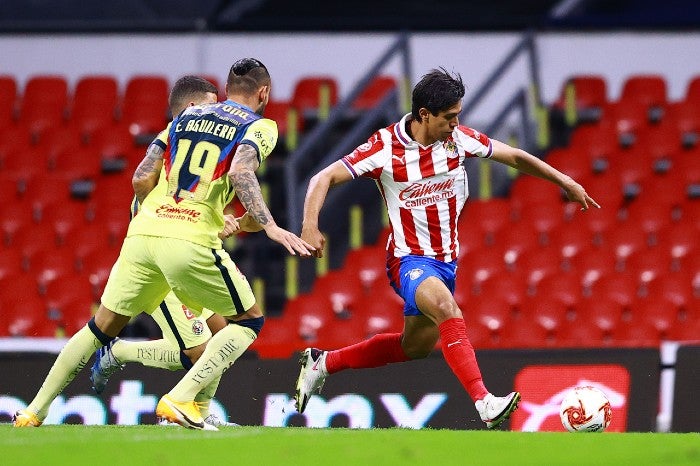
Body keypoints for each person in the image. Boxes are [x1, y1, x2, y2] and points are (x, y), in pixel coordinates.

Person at [14, 58, 313, 430]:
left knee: (99, 327)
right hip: (186, 239)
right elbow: (240, 171)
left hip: (142, 234)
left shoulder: (183, 120)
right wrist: (270, 227)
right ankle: (179, 400)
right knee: (248, 322)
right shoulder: (259, 126)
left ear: (225, 88)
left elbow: (141, 178)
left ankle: (32, 412)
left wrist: (172, 207)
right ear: (264, 92)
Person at [294, 68, 600, 429]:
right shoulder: (384, 147)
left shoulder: (459, 141)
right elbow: (322, 177)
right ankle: (484, 402)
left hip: (446, 262)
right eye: (450, 117)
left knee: (415, 347)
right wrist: (310, 226)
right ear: (425, 114)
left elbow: (514, 156)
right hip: (408, 259)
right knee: (446, 308)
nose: (457, 123)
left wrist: (563, 179)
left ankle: (322, 363)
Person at [88, 75, 251, 427]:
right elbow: (159, 207)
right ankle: (120, 353)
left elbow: (194, 207)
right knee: (201, 352)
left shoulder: (190, 150)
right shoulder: (168, 148)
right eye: (212, 104)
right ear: (192, 108)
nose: (219, 112)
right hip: (160, 264)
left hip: (184, 261)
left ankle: (200, 412)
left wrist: (222, 219)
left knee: (224, 332)